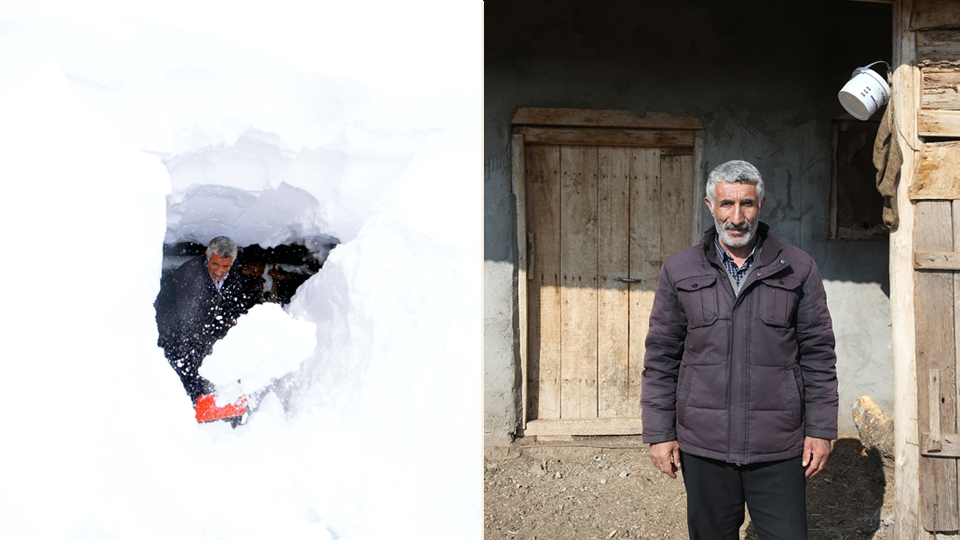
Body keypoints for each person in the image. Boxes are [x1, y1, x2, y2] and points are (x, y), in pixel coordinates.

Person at [641, 160, 838, 539]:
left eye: (746, 203)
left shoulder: (798, 268)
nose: (736, 217)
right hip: (704, 442)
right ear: (709, 205)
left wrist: (820, 428)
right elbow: (661, 358)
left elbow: (818, 356)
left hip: (778, 443)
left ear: (761, 205)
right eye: (726, 204)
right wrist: (659, 432)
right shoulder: (679, 270)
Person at [155, 236, 252, 403]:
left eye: (225, 266)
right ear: (207, 256)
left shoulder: (233, 270)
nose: (220, 271)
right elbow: (191, 328)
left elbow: (237, 304)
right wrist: (215, 354)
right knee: (193, 375)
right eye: (215, 264)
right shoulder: (191, 278)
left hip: (205, 329)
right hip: (175, 336)